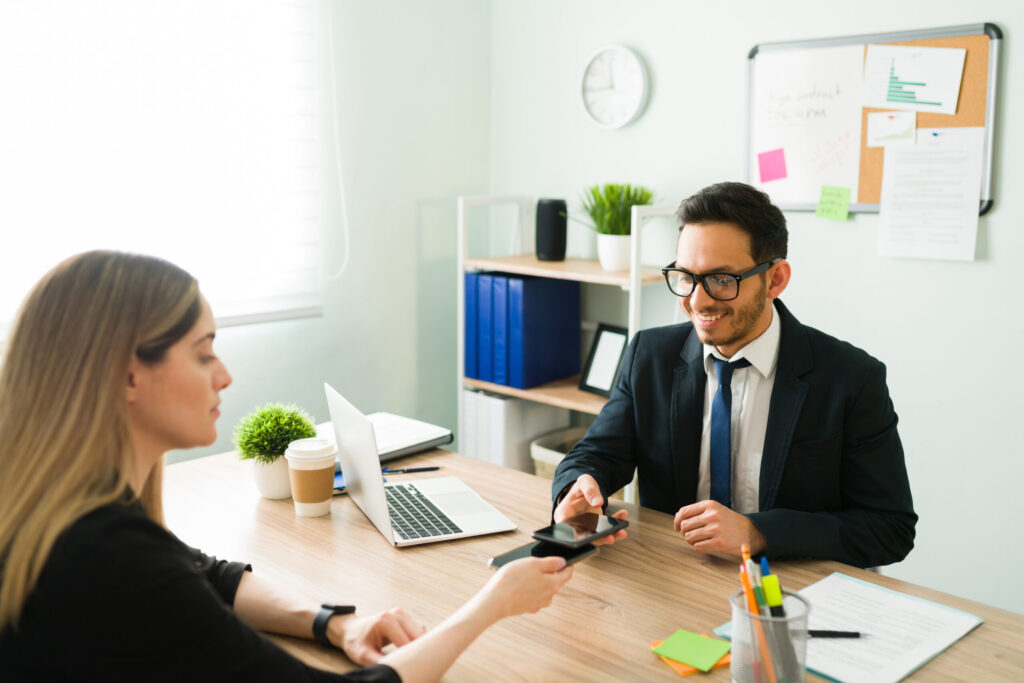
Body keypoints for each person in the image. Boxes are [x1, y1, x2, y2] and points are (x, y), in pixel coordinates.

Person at [0, 251, 573, 682]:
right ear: (128, 374)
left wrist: (333, 623)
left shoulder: (68, 514)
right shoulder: (107, 559)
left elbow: (208, 575)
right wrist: (491, 605)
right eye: (203, 354)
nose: (224, 376)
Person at [552, 182, 916, 569]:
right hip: (679, 579)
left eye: (722, 280)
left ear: (775, 279)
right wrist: (577, 489)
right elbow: (597, 453)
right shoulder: (650, 355)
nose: (697, 300)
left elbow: (889, 528)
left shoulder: (851, 378)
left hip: (792, 588)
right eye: (685, 276)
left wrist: (760, 533)